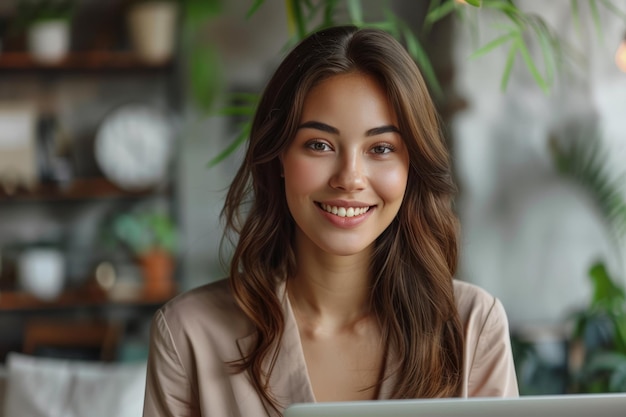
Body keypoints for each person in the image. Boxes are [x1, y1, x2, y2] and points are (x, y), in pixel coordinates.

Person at [142, 25, 518, 417]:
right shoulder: (188, 334)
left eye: (381, 148)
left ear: (412, 166)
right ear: (279, 157)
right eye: (319, 145)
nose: (350, 178)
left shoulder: (472, 326)